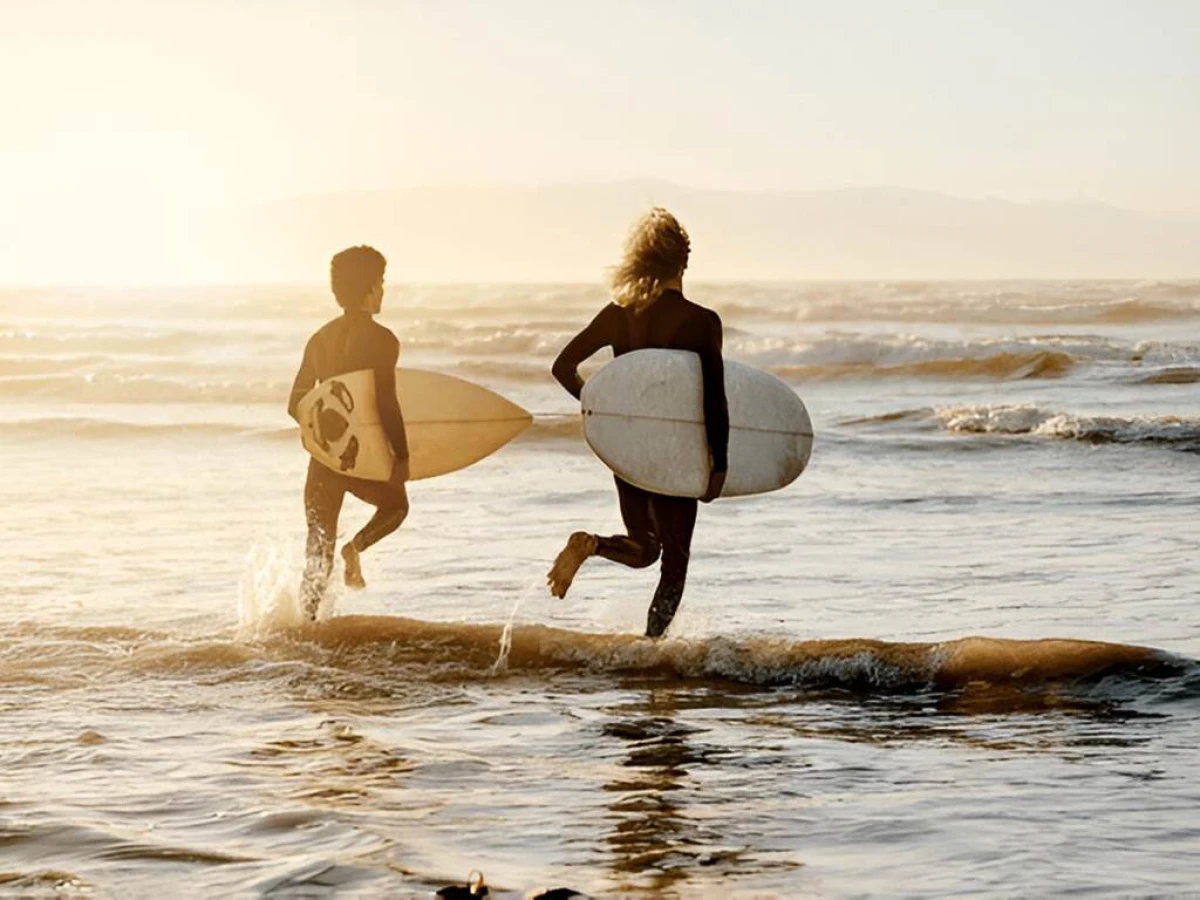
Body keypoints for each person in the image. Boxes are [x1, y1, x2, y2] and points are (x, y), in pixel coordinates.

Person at [547, 208, 729, 638]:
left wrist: (604, 412)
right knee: (674, 560)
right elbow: (713, 399)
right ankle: (650, 649)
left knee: (645, 547)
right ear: (684, 263)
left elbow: (562, 366)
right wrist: (718, 465)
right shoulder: (701, 321)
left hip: (627, 448)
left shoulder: (618, 313)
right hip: (672, 450)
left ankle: (592, 545)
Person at [287, 245, 410, 619]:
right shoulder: (382, 339)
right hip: (358, 459)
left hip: (324, 461)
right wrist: (400, 456)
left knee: (317, 550)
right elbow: (386, 402)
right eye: (382, 282)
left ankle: (304, 628)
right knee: (396, 506)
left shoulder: (319, 338)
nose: (384, 290)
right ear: (371, 287)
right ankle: (354, 548)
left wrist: (327, 437)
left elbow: (296, 402)